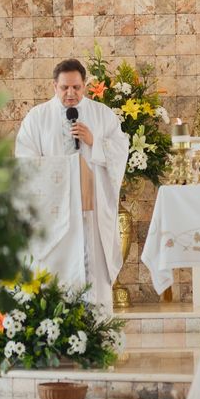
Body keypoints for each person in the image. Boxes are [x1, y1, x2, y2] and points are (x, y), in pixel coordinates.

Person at [15, 58, 129, 313]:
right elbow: (25, 162)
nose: (70, 93)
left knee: (93, 272)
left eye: (76, 87)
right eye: (64, 87)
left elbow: (121, 150)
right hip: (55, 214)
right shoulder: (37, 118)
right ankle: (59, 328)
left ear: (85, 86)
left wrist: (94, 141)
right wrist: (58, 171)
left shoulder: (102, 114)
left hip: (91, 211)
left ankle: (98, 332)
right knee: (58, 275)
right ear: (54, 85)